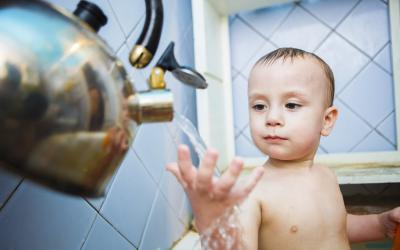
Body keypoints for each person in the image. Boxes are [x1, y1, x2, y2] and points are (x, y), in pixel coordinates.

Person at [166, 48, 400, 249]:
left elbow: (335, 229)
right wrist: (212, 225)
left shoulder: (326, 176)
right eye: (259, 106)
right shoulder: (252, 193)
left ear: (326, 121)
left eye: (291, 104)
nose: (272, 117)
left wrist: (380, 224)